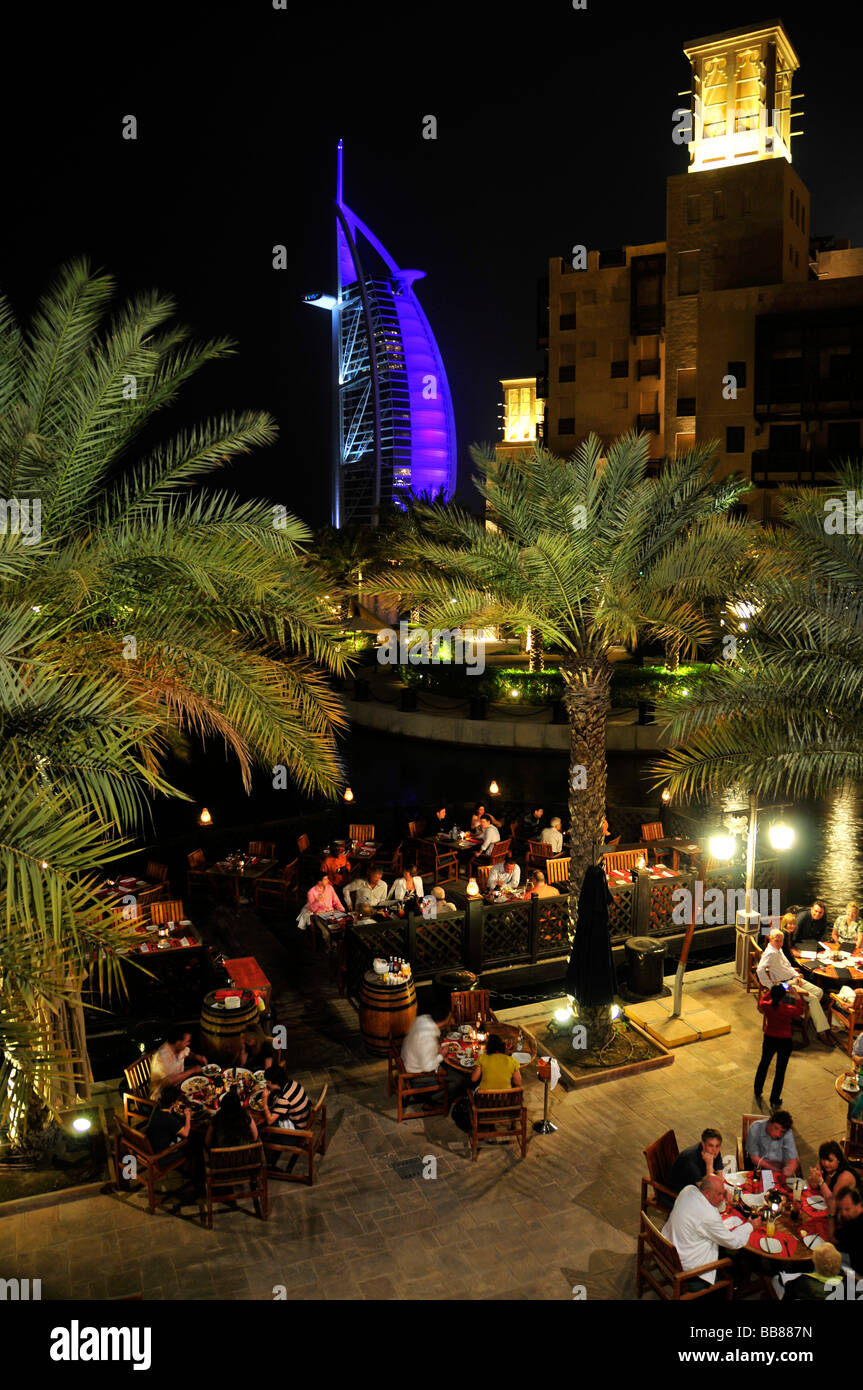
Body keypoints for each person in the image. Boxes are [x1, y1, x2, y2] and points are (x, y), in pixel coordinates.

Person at [662, 1175, 758, 1290]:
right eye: (719, 1194)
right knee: (735, 1264)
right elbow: (733, 1242)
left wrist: (721, 1197)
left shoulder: (688, 1190)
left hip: (668, 1248)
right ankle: (740, 1286)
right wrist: (750, 1226)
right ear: (707, 1193)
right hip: (689, 1272)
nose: (723, 1197)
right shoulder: (708, 1216)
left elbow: (714, 1206)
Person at [756, 927, 833, 1047]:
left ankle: (801, 1016)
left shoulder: (779, 950)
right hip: (784, 984)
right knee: (812, 998)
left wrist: (796, 975)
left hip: (793, 979)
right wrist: (772, 987)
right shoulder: (769, 953)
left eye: (781, 940)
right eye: (777, 940)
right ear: (771, 939)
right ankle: (821, 1032)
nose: (780, 943)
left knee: (819, 992)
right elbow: (760, 970)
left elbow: (788, 965)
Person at [753, 983, 807, 1110]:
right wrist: (797, 996)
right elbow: (800, 1011)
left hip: (769, 1038)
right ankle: (774, 1099)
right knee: (780, 1071)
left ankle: (757, 1090)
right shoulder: (787, 1009)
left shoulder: (766, 1006)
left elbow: (762, 1001)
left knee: (764, 1064)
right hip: (784, 1040)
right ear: (783, 997)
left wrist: (771, 991)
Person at [148, 1027, 207, 1098]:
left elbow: (187, 1053)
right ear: (178, 1043)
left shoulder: (180, 1048)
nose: (188, 1043)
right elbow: (169, 1081)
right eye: (187, 1041)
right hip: (162, 1097)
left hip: (178, 1088)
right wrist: (192, 1071)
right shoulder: (161, 1057)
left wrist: (197, 1056)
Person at [807, 1141, 857, 1216]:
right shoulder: (823, 1165)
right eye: (823, 1159)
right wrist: (814, 1177)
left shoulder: (845, 1176)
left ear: (838, 1160)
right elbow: (813, 1186)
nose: (826, 1163)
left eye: (830, 1160)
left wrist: (821, 1182)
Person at [745, 1110, 798, 1179]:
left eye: (782, 1132)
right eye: (776, 1128)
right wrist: (775, 1170)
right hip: (760, 1168)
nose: (778, 1134)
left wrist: (790, 1168)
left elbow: (793, 1159)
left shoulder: (788, 1133)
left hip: (780, 1169)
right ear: (769, 1122)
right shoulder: (756, 1128)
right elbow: (754, 1158)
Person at [669, 1128, 725, 1193]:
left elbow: (720, 1178)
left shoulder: (714, 1152)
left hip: (698, 1185)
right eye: (710, 1145)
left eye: (717, 1146)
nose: (714, 1150)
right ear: (703, 1144)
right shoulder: (690, 1159)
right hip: (679, 1193)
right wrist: (709, 1165)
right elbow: (707, 1191)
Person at [260, 1066, 311, 1134]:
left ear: (275, 1082)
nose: (266, 1084)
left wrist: (265, 1102)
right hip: (305, 1116)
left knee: (264, 1124)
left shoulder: (284, 1099)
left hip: (298, 1127)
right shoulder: (292, 1083)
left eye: (268, 1082)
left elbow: (270, 1121)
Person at [145, 1083, 192, 1151]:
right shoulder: (168, 1118)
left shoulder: (157, 1107)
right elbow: (185, 1133)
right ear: (173, 1104)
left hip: (153, 1143)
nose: (177, 1102)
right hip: (162, 1153)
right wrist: (188, 1116)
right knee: (191, 1140)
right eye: (176, 1100)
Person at [835, 1187, 863, 1276]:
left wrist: (831, 1216)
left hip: (857, 1274)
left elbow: (833, 1238)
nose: (843, 1213)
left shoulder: (852, 1227)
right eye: (841, 1209)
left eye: (847, 1209)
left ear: (859, 1205)